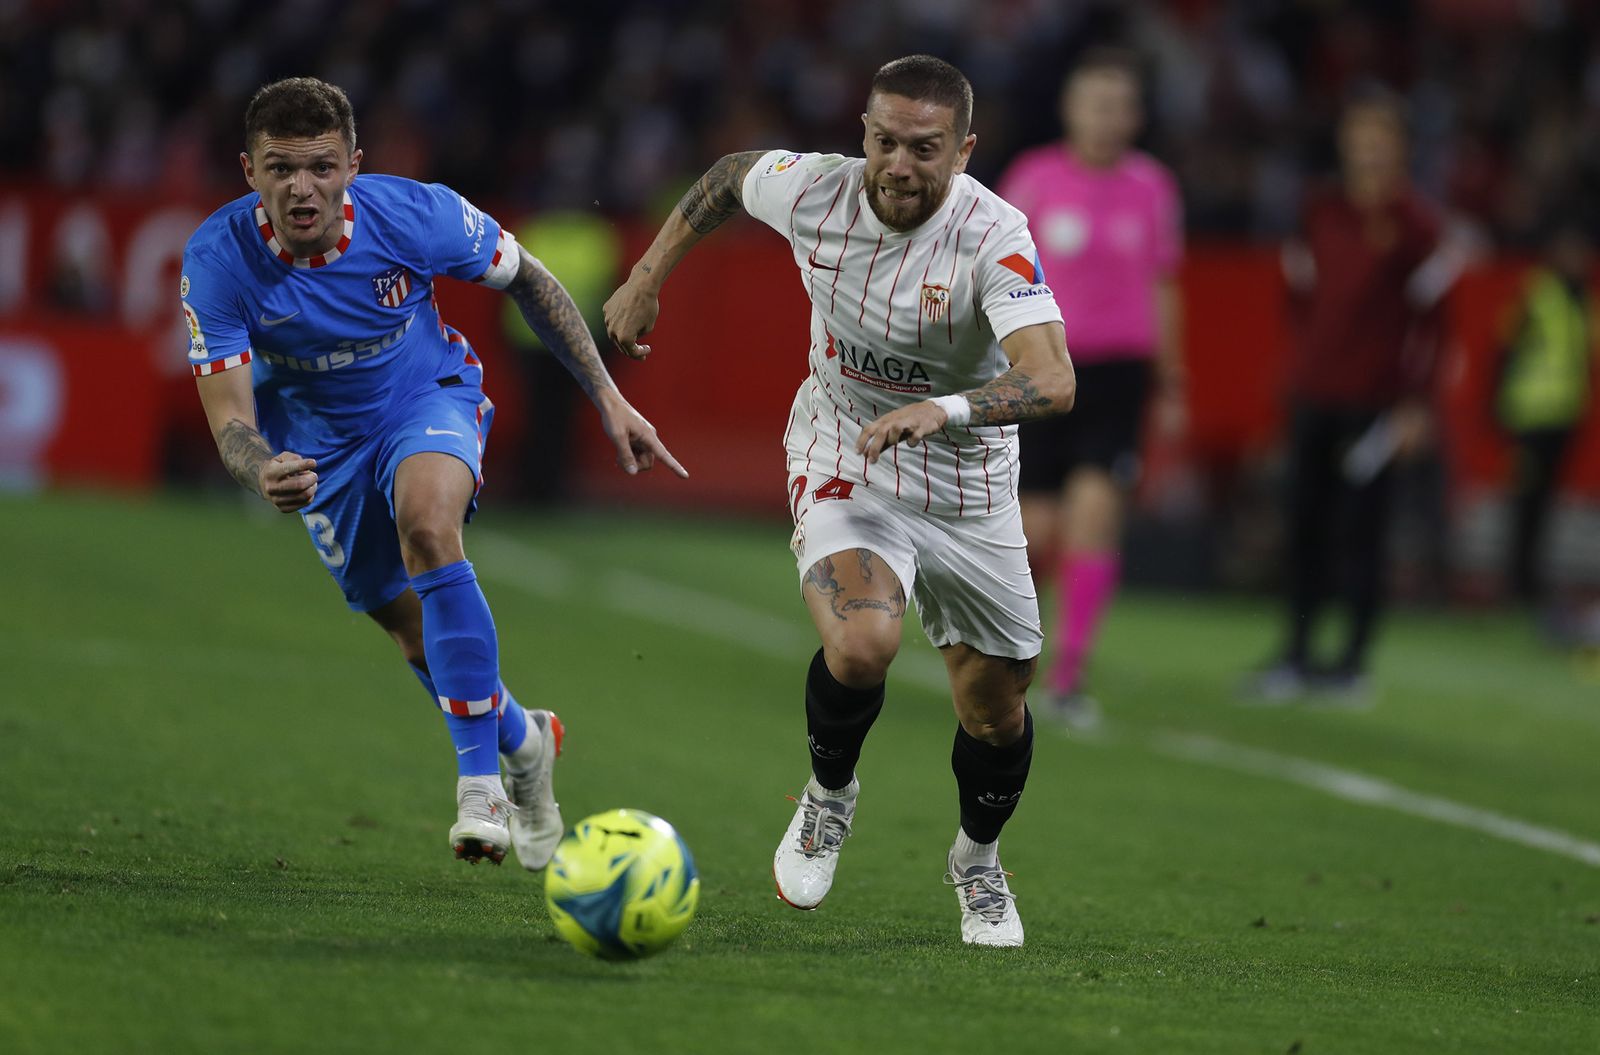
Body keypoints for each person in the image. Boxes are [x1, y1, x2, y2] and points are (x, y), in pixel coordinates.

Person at [604, 55, 1075, 947]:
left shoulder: (993, 236)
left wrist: (942, 409)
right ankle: (827, 798)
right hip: (844, 451)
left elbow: (1052, 381)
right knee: (863, 644)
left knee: (995, 710)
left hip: (970, 488)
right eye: (885, 142)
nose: (900, 165)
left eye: (925, 149)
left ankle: (977, 862)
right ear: (863, 133)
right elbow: (729, 177)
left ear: (965, 150)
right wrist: (646, 275)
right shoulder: (816, 190)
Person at [181, 78, 684, 869]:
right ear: (249, 171)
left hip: (427, 398)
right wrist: (261, 468)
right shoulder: (218, 259)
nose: (301, 187)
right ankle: (523, 738)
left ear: (354, 163)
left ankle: (480, 784)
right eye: (281, 168)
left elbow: (530, 277)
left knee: (428, 523)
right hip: (321, 453)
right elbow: (230, 420)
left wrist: (608, 396)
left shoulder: (414, 214)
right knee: (411, 629)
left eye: (320, 166)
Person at [995, 48, 1184, 728]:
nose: (1106, 118)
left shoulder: (1153, 188)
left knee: (1095, 512)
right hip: (1041, 363)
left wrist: (1172, 377)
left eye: (1118, 105)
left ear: (1134, 116)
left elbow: (1164, 284)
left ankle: (1071, 674)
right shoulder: (1035, 178)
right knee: (1035, 524)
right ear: (1070, 109)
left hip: (1117, 375)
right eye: (1094, 103)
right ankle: (1012, 655)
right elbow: (994, 275)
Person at [1248, 91, 1448, 705]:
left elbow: (1436, 324)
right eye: (1360, 135)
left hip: (1378, 406)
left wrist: (1418, 404)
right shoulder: (1321, 211)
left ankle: (1352, 663)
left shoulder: (1419, 228)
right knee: (1305, 527)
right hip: (1314, 395)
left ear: (1403, 147)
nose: (1369, 149)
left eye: (1381, 136)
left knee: (1362, 533)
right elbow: (1299, 298)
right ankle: (1298, 655)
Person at [1493, 214, 1596, 604]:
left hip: (1563, 417)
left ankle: (1529, 581)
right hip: (1530, 417)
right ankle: (1515, 584)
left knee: (1544, 504)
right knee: (1526, 503)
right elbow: (1503, 349)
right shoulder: (1539, 293)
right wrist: (1498, 408)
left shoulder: (1582, 298)